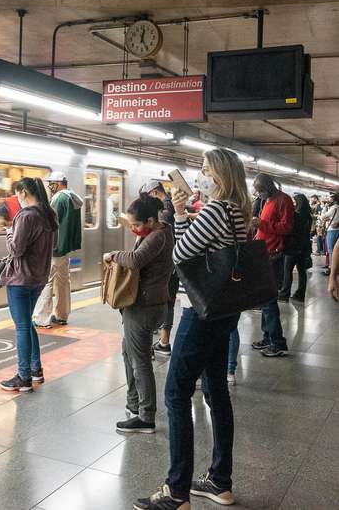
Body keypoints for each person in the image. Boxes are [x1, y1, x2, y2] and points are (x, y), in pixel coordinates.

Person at [135, 148, 251, 510]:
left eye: (205, 170)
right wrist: (185, 213)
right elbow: (198, 246)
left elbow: (180, 253)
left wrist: (181, 212)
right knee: (216, 390)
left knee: (176, 392)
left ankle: (177, 492)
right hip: (225, 308)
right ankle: (219, 480)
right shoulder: (240, 212)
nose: (200, 175)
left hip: (200, 310)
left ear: (220, 176)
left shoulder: (216, 210)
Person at [104, 193, 174, 433]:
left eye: (136, 225)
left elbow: (135, 260)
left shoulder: (158, 236)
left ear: (151, 220)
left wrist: (113, 255)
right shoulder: (158, 232)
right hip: (148, 303)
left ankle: (146, 416)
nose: (133, 229)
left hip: (145, 305)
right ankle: (134, 404)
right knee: (129, 352)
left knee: (140, 361)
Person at [0, 177, 57, 392]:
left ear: (23, 192)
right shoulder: (48, 214)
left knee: (22, 326)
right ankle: (35, 369)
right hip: (39, 277)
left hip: (21, 278)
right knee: (27, 322)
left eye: (17, 194)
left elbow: (16, 249)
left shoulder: (26, 216)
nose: (17, 198)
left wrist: (9, 231)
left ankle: (23, 377)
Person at [250, 173, 294, 357]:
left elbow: (286, 227)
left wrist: (262, 224)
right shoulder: (267, 200)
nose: (258, 194)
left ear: (268, 186)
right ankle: (267, 337)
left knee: (268, 300)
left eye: (260, 190)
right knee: (263, 298)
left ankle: (277, 342)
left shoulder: (284, 200)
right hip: (263, 251)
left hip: (273, 253)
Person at [34, 171, 83, 328]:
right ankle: (62, 314)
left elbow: (49, 222)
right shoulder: (72, 197)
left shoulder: (59, 198)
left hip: (54, 248)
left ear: (60, 183)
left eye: (52, 183)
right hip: (65, 248)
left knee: (46, 281)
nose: (50, 186)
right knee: (63, 282)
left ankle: (42, 317)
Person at [141, 179, 177, 357]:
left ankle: (164, 342)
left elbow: (159, 238)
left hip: (166, 264)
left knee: (163, 301)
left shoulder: (164, 210)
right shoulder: (169, 206)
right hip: (172, 263)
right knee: (166, 301)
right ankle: (163, 341)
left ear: (155, 192)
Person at [279, 194, 313, 303]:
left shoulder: (295, 215)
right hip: (305, 247)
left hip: (293, 246)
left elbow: (290, 231)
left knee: (287, 270)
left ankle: (284, 294)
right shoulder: (309, 216)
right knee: (302, 272)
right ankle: (300, 294)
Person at [321, 192, 339, 275]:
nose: (328, 200)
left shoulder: (333, 208)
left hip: (332, 230)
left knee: (331, 251)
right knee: (336, 250)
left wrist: (324, 207)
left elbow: (322, 217)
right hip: (336, 230)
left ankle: (331, 269)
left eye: (329, 198)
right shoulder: (337, 208)